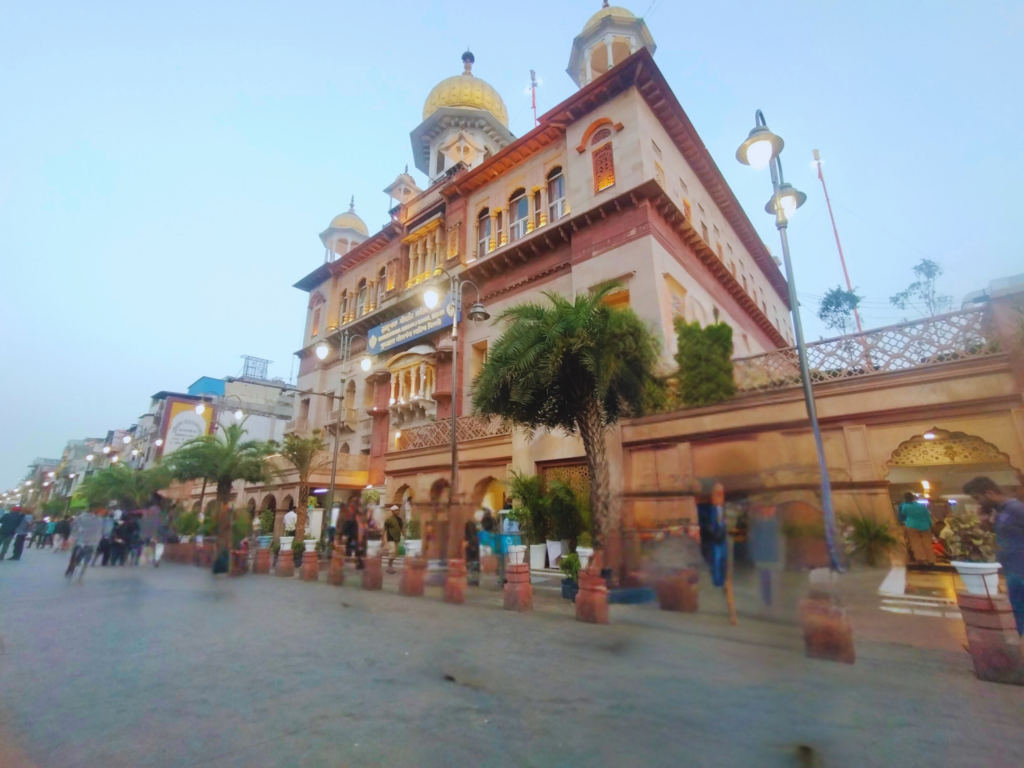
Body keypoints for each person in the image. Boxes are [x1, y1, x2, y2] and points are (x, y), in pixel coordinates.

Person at [963, 477, 1024, 635]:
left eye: (978, 498)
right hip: (1013, 569)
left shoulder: (1016, 508)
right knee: (1018, 610)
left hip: (1021, 568)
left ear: (989, 493)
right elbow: (993, 536)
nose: (978, 503)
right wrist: (984, 520)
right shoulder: (1001, 511)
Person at [67, 507, 104, 582]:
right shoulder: (99, 520)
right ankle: (80, 577)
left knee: (78, 560)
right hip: (92, 543)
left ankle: (73, 575)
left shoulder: (80, 518)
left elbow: (75, 530)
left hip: (81, 543)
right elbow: (100, 532)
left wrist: (71, 540)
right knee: (86, 561)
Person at [898, 492, 935, 565]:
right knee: (927, 543)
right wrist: (930, 525)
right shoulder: (922, 506)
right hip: (925, 526)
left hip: (912, 525)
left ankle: (921, 559)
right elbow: (927, 516)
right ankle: (931, 560)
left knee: (916, 543)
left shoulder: (905, 506)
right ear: (913, 498)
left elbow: (903, 515)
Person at [383, 505, 404, 574]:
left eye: (397, 510)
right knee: (392, 551)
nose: (397, 511)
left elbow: (402, 529)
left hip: (397, 538)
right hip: (391, 537)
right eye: (395, 510)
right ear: (392, 511)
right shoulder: (389, 520)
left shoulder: (400, 520)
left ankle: (390, 566)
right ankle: (389, 567)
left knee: (395, 553)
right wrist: (382, 538)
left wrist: (405, 536)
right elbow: (384, 528)